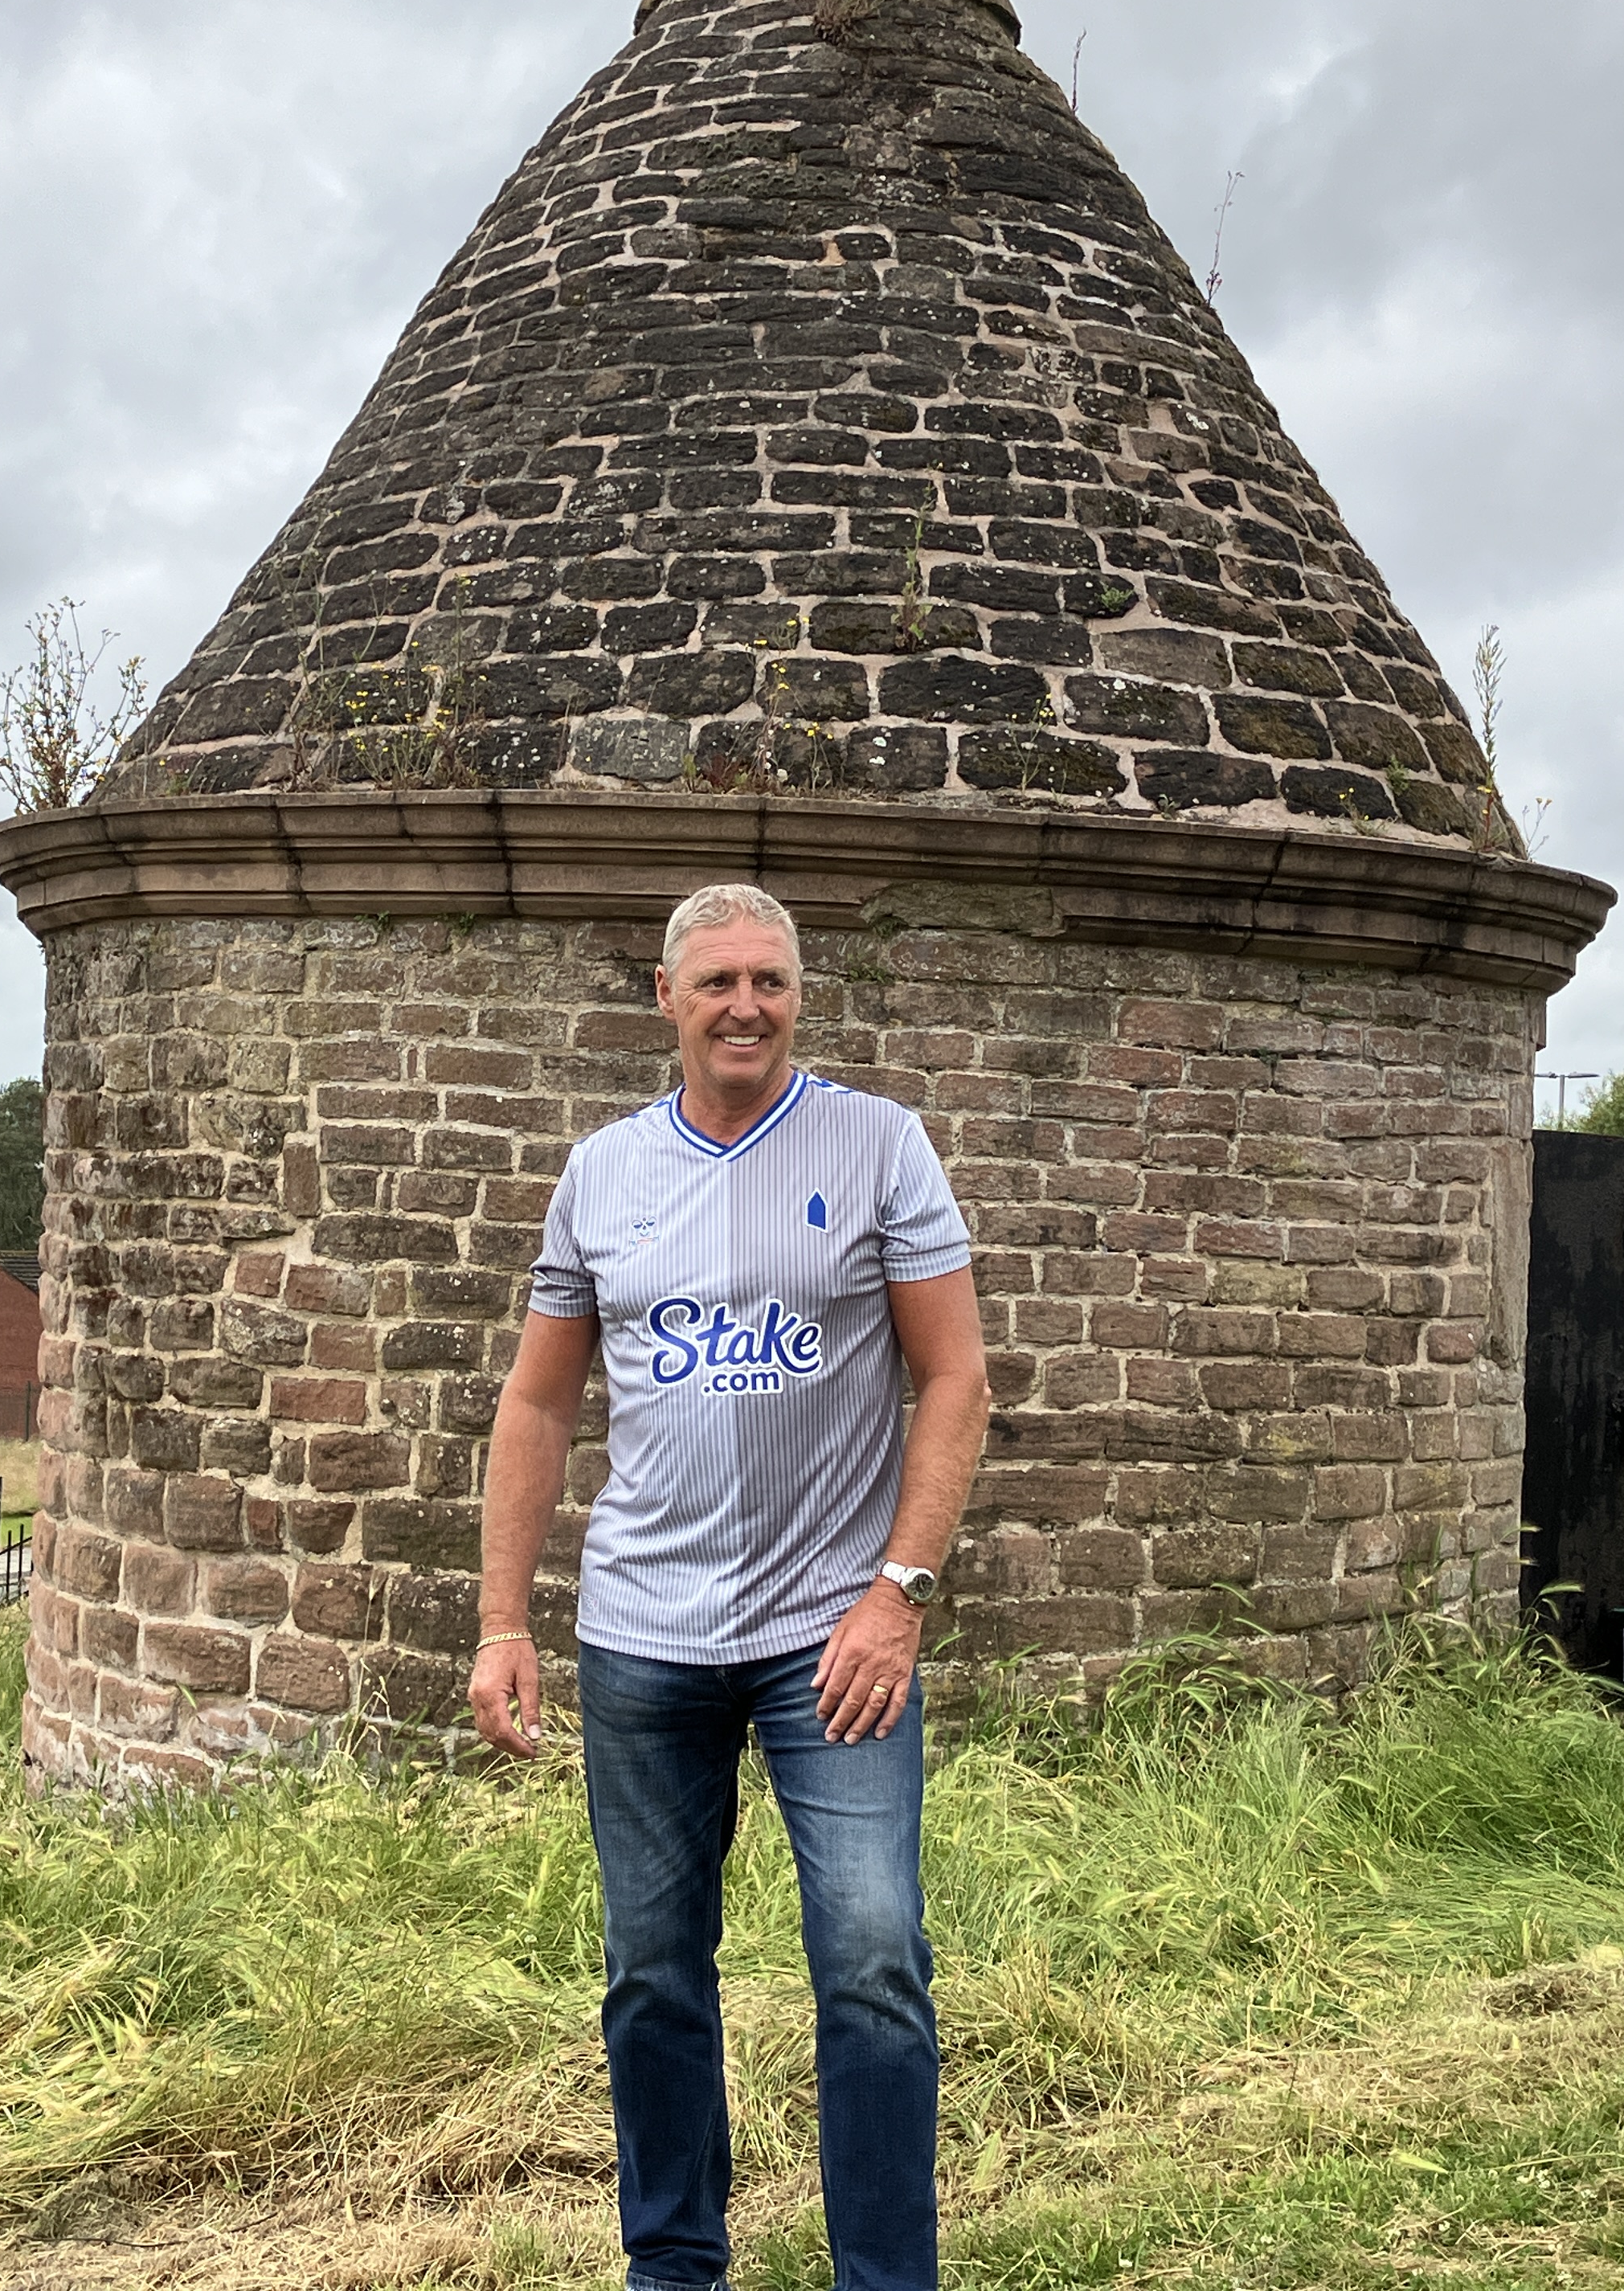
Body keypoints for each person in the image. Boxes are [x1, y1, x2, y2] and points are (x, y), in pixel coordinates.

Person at [466, 882, 989, 2291]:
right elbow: (536, 1403)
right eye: (716, 982)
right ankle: (674, 2264)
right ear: (666, 997)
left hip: (836, 1639)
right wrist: (503, 1619)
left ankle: (886, 2276)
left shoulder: (877, 1144)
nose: (744, 1005)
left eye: (769, 979)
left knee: (873, 1959)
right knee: (652, 1969)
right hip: (644, 1634)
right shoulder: (602, 1174)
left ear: (798, 994)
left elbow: (954, 1377)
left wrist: (899, 1592)